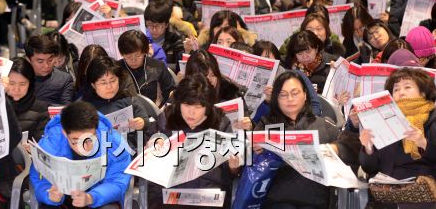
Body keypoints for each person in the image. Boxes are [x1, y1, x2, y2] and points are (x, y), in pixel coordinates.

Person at [148, 74, 240, 209]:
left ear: (208, 107)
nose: (191, 112)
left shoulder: (220, 122)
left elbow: (230, 171)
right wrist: (154, 143)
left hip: (207, 193)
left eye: (198, 107)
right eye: (186, 105)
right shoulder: (167, 117)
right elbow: (151, 141)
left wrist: (234, 166)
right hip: (170, 190)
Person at [254, 71, 344, 208]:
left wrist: (335, 149)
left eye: (295, 93)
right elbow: (248, 165)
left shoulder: (323, 125)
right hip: (277, 200)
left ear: (305, 95)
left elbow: (347, 152)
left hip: (315, 201)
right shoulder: (267, 125)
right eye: (283, 95)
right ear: (276, 99)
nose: (290, 99)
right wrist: (256, 152)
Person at [29, 101, 131, 209]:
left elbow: (117, 181)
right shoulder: (50, 143)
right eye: (76, 141)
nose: (84, 148)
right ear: (64, 133)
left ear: (96, 130)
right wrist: (49, 195)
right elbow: (38, 177)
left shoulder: (114, 143)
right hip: (63, 198)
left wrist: (91, 197)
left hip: (99, 195)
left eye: (89, 139)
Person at [359, 68, 436, 207]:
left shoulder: (433, 119)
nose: (401, 92)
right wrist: (368, 148)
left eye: (407, 87)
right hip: (386, 196)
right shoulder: (382, 120)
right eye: (396, 89)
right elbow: (369, 168)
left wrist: (424, 144)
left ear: (423, 92)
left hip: (422, 197)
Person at [83, 56, 153, 148]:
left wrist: (141, 123)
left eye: (113, 81)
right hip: (104, 152)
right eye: (103, 83)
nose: (109, 87)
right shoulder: (85, 107)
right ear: (93, 85)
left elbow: (145, 121)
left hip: (134, 147)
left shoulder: (128, 97)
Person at [118, 30, 176, 107]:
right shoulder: (117, 69)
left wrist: (162, 109)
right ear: (122, 54)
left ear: (145, 52)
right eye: (129, 57)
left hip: (156, 112)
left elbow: (170, 91)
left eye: (138, 55)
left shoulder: (158, 66)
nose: (133, 60)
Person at [4, 57, 49, 141]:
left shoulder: (39, 108)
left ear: (30, 84)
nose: (16, 89)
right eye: (11, 83)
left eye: (22, 84)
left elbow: (41, 139)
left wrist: (31, 147)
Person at [24, 34, 74, 105]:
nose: (46, 66)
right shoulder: (19, 78)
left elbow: (67, 109)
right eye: (40, 61)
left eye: (50, 60)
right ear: (28, 60)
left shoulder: (64, 80)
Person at [144, 0, 185, 71]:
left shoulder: (177, 39)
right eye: (150, 24)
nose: (154, 29)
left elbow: (179, 67)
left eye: (158, 25)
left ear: (166, 24)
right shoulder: (140, 36)